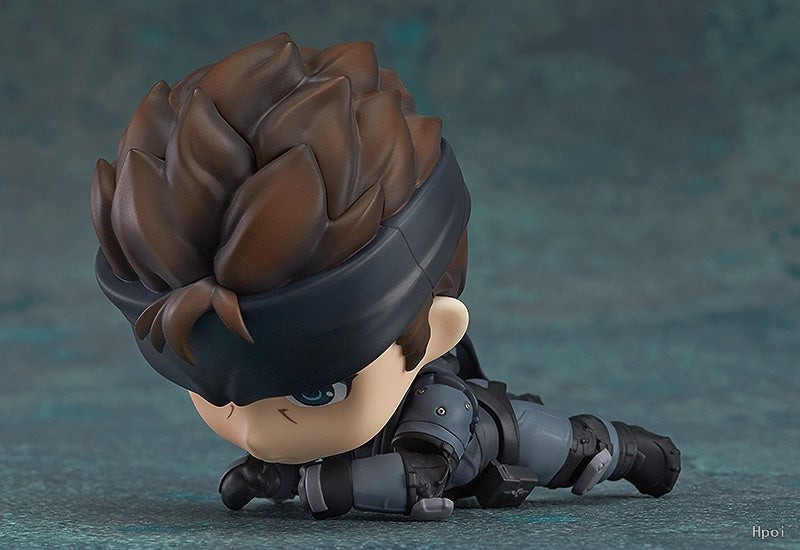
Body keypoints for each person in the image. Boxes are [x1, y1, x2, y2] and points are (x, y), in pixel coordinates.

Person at [91, 33, 680, 520]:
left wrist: (326, 486)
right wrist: (269, 475)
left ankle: (631, 451)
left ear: (438, 330)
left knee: (568, 446)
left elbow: (424, 475)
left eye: (316, 392)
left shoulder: (438, 403)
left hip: (479, 438)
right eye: (213, 392)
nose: (258, 430)